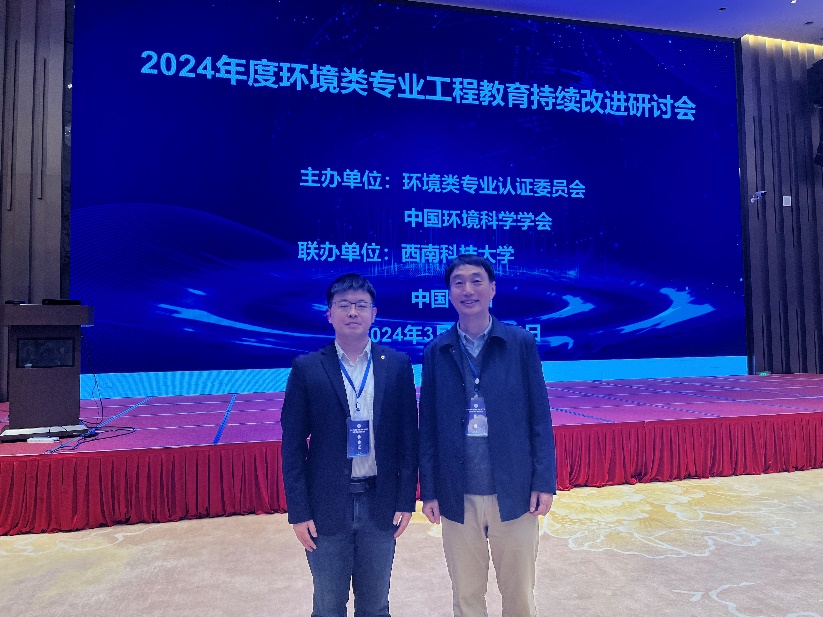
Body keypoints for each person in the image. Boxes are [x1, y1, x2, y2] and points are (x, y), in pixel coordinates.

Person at [419, 254, 556, 617]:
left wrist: (544, 481)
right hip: (457, 493)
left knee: (519, 595)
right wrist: (429, 490)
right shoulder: (436, 351)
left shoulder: (519, 343)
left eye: (476, 281)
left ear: (492, 289)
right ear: (449, 293)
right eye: (458, 282)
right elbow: (427, 427)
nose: (468, 290)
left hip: (515, 491)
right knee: (466, 595)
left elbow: (539, 417)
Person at [281, 273, 419, 617]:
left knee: (376, 606)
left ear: (374, 313)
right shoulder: (307, 368)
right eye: (344, 305)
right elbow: (293, 446)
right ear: (329, 314)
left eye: (361, 305)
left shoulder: (397, 365)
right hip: (326, 506)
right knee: (328, 606)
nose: (353, 312)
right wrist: (299, 512)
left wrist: (406, 500)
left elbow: (408, 438)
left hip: (380, 502)